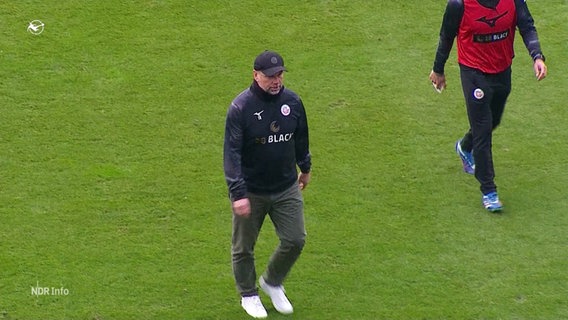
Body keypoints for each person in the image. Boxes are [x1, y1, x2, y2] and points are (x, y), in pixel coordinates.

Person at [429, 0, 547, 212]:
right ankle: (489, 191)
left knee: (494, 119)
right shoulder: (459, 5)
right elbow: (446, 36)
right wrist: (438, 69)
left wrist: (537, 56)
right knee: (483, 129)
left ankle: (465, 146)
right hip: (473, 72)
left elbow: (527, 25)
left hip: (502, 70)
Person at [223, 50, 312, 318]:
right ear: (255, 75)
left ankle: (272, 281)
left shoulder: (292, 102)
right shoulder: (241, 108)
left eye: (280, 74)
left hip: (285, 186)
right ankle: (248, 294)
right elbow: (232, 153)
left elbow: (300, 138)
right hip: (251, 191)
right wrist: (238, 194)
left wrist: (305, 168)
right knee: (243, 247)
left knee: (295, 239)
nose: (276, 80)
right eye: (270, 76)